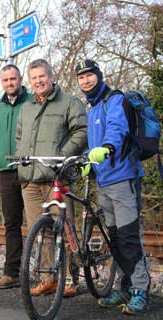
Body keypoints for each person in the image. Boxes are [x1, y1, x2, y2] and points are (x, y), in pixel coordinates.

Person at [75, 59, 150, 315]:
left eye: (89, 75)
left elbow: (117, 131)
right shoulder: (93, 109)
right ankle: (124, 286)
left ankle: (140, 289)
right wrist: (88, 159)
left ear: (99, 75)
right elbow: (94, 142)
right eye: (81, 77)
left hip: (123, 178)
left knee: (130, 237)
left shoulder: (114, 100)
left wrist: (106, 149)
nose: (86, 81)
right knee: (115, 238)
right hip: (104, 182)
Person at [16, 59, 87, 296]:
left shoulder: (69, 102)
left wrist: (61, 155)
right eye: (34, 78)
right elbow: (19, 138)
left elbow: (82, 131)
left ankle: (69, 280)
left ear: (51, 77)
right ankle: (48, 279)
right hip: (31, 179)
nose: (38, 81)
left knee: (65, 230)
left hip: (56, 177)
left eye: (42, 76)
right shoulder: (26, 107)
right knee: (41, 231)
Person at [0, 64, 31, 290]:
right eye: (6, 80)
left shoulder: (32, 103)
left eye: (13, 79)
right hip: (6, 172)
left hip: (31, 170)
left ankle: (46, 274)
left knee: (38, 224)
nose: (10, 83)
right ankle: (11, 273)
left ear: (20, 79)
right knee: (11, 224)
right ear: (1, 83)